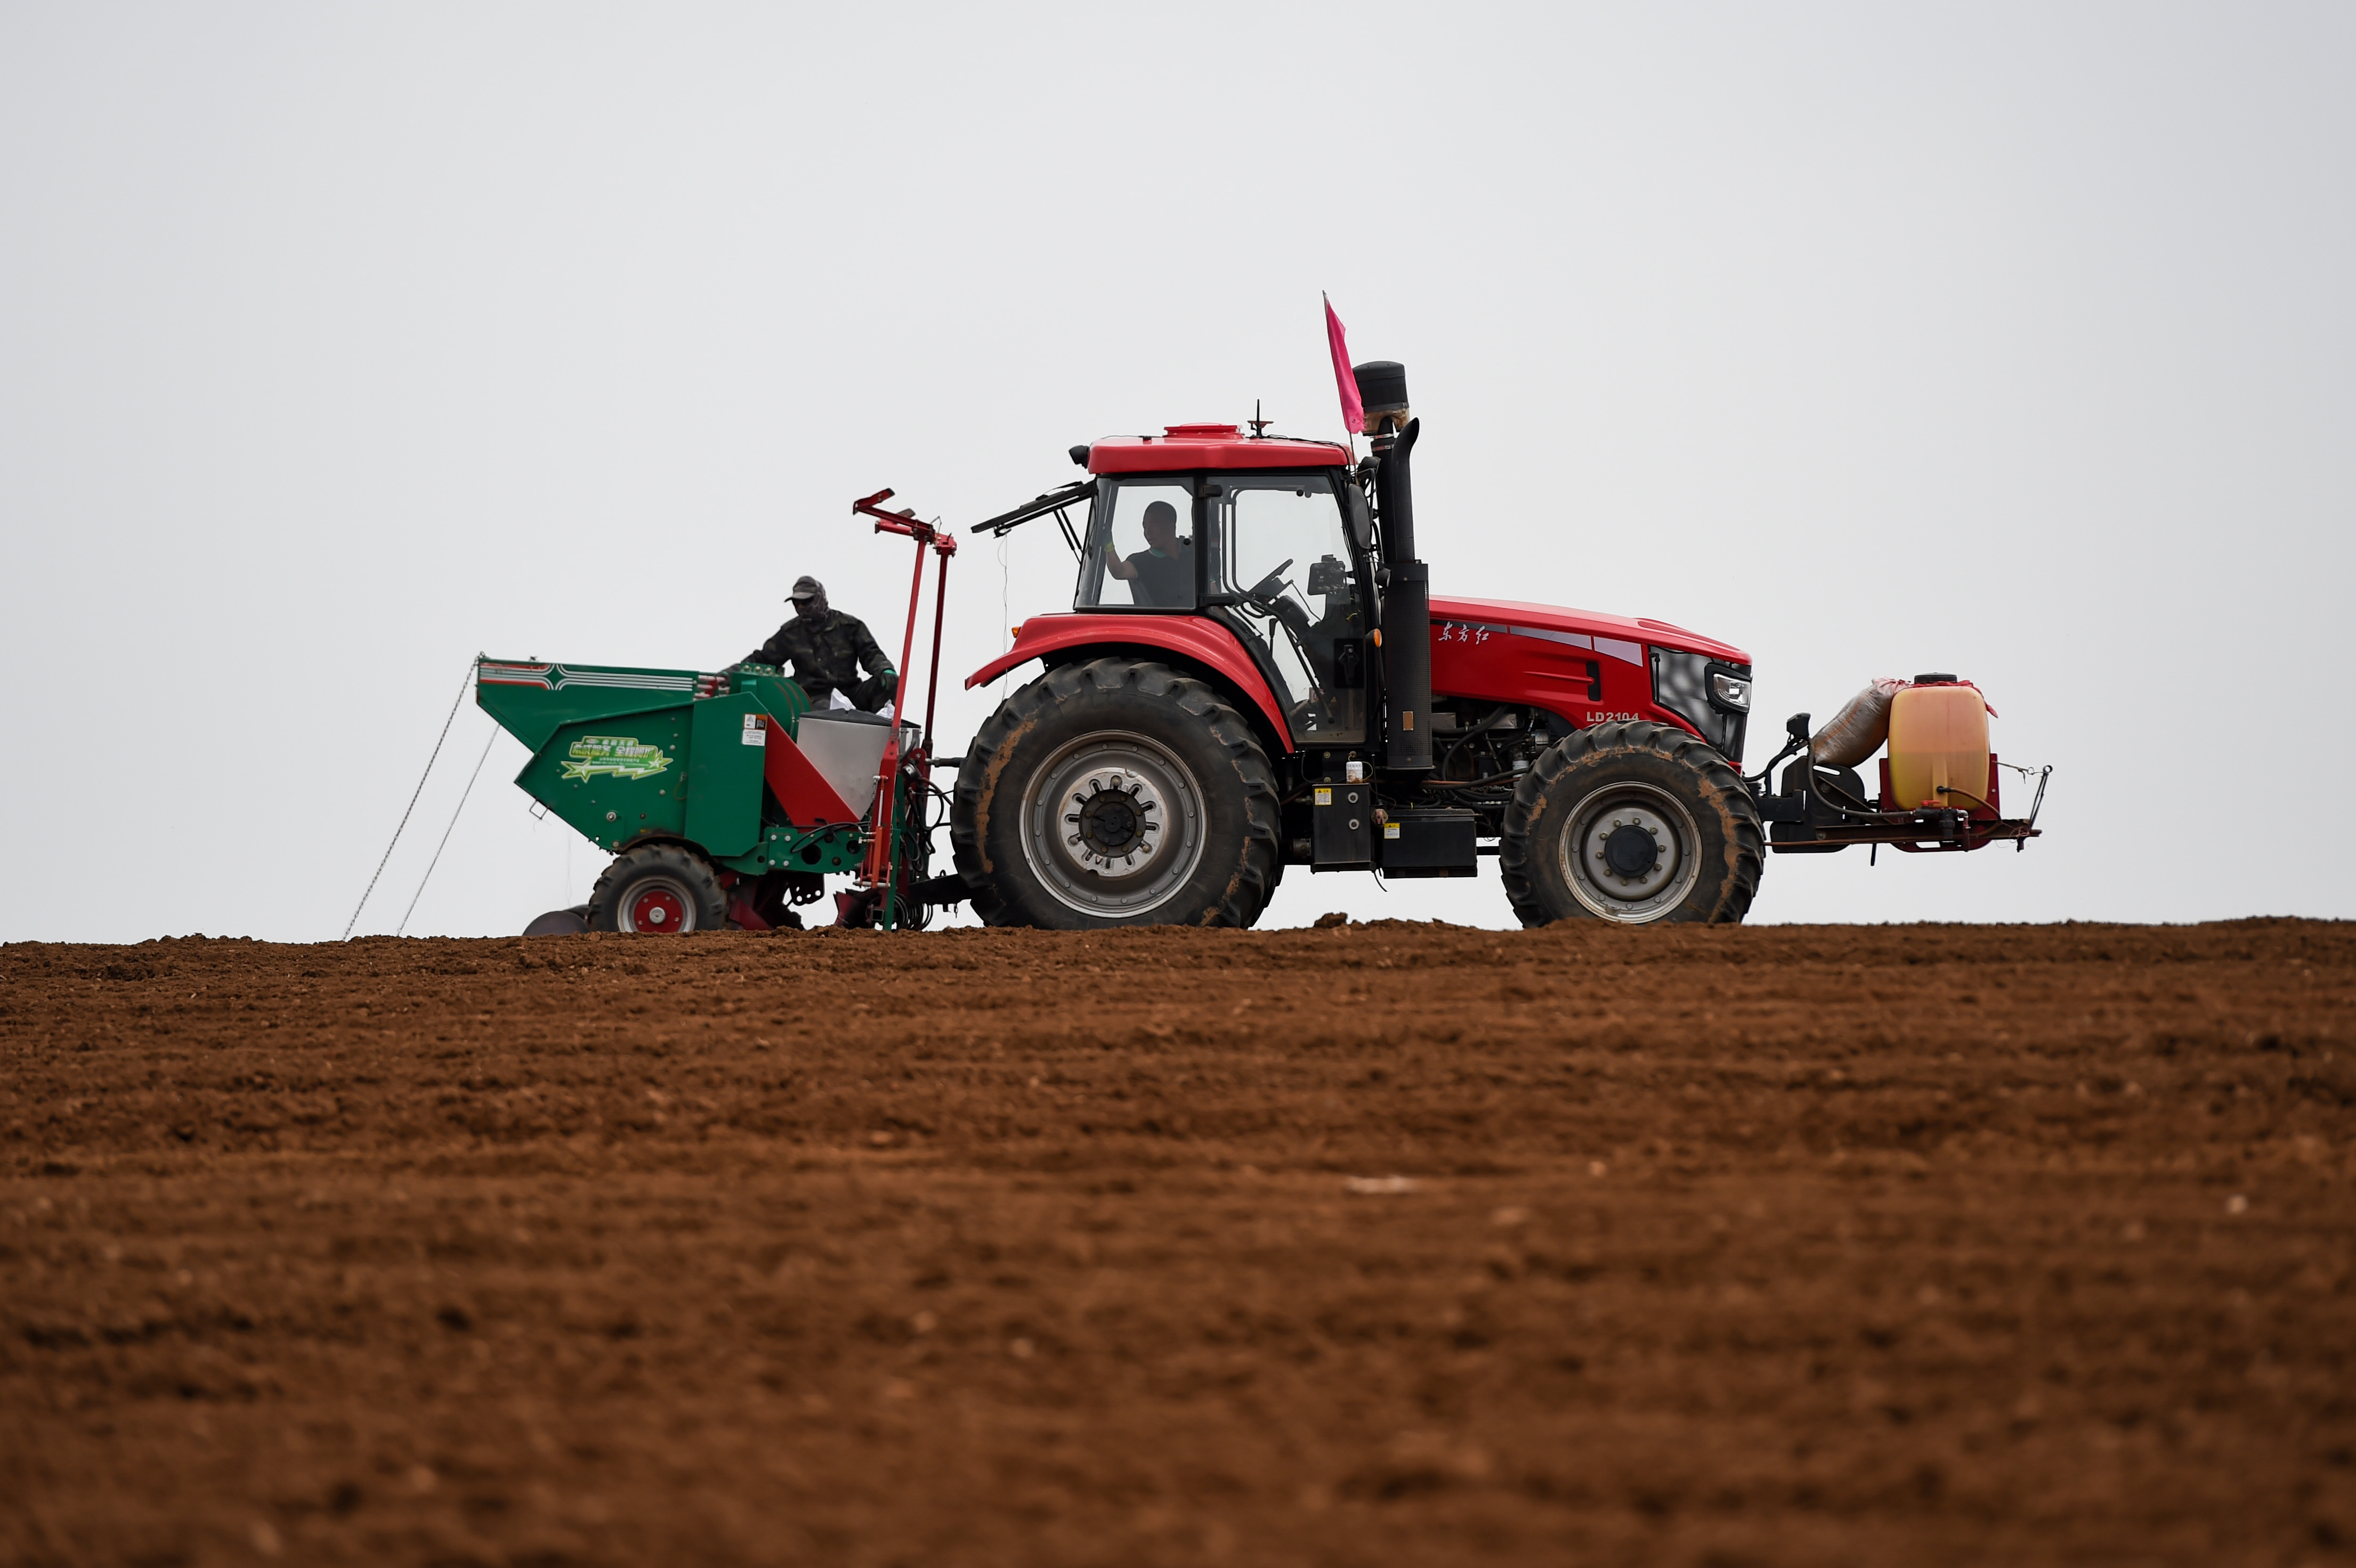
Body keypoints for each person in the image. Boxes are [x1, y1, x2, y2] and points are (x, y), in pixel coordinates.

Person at [742, 575, 897, 712]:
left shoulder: (850, 626)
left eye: (807, 602)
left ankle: (883, 731)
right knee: (827, 709)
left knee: (889, 683)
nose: (801, 608)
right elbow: (761, 660)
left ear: (821, 599)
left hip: (850, 692)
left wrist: (885, 669)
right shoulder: (791, 633)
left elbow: (872, 654)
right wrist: (727, 675)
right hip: (814, 697)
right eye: (797, 603)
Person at [1105, 500, 1193, 607]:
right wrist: (1109, 546)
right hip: (1159, 623)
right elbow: (1119, 571)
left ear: (1171, 525)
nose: (1148, 532)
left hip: (1195, 622)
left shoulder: (1193, 555)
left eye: (1154, 525)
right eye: (1145, 527)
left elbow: (1212, 590)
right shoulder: (1140, 561)